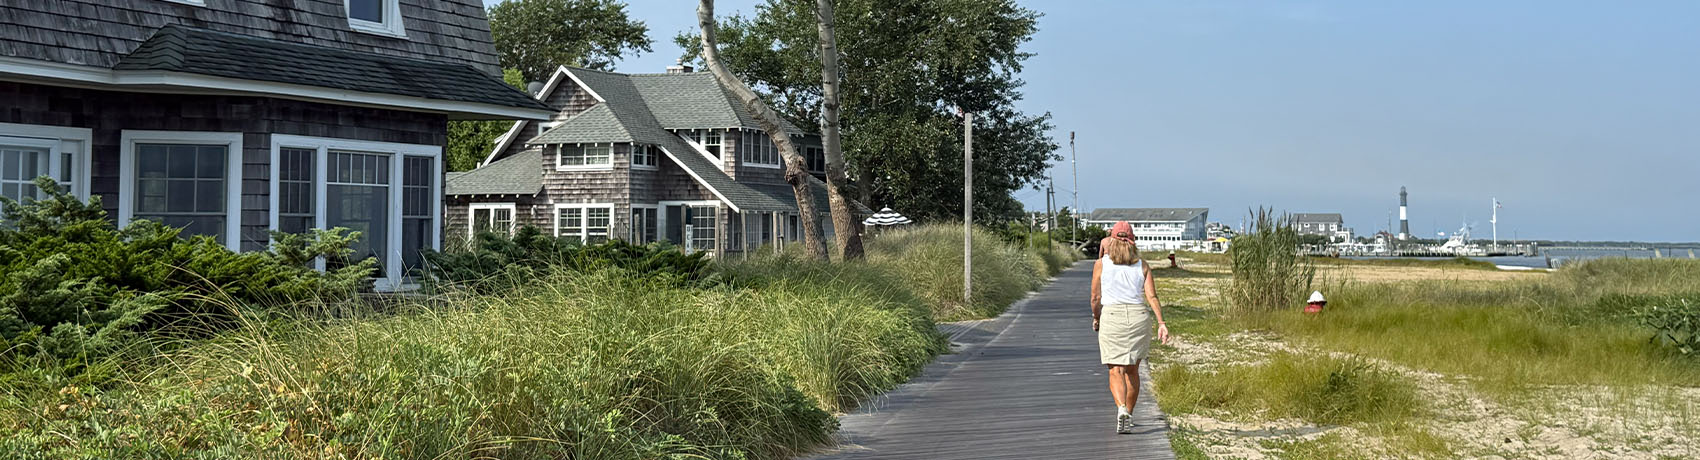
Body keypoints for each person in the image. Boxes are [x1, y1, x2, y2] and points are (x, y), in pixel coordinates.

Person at [1091, 221, 1170, 434]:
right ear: (1133, 240)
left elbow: (1095, 297)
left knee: (1116, 369)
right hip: (1138, 316)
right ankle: (1130, 415)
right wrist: (1162, 323)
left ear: (1111, 240)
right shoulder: (1142, 265)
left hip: (1112, 315)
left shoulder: (1101, 264)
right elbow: (1152, 296)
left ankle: (1122, 408)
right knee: (1133, 370)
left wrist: (1096, 317)